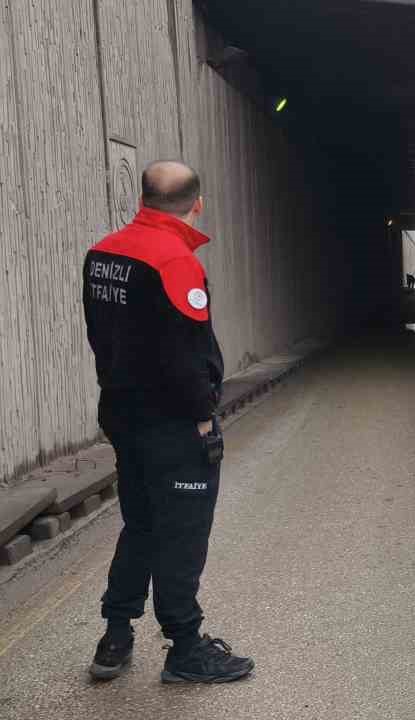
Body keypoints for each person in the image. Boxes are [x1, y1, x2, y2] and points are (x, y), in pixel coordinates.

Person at [81, 160, 254, 684]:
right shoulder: (175, 261)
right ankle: (185, 648)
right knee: (181, 532)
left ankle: (115, 636)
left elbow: (101, 335)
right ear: (195, 203)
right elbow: (184, 354)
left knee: (143, 523)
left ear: (143, 196)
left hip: (122, 414)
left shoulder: (102, 253)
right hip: (172, 423)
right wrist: (203, 419)